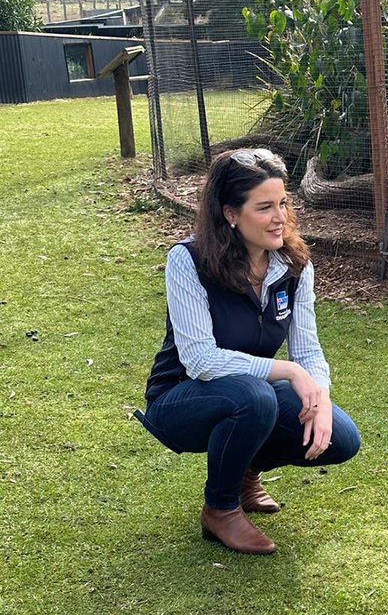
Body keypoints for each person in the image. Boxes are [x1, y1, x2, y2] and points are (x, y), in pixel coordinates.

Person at [136, 147, 361, 555]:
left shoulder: (294, 266)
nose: (280, 218)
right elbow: (200, 360)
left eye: (283, 203)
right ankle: (219, 510)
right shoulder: (188, 262)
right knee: (254, 396)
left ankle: (244, 473)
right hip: (180, 398)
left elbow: (308, 350)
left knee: (341, 439)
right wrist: (289, 373)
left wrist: (320, 395)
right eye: (264, 208)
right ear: (230, 214)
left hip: (248, 394)